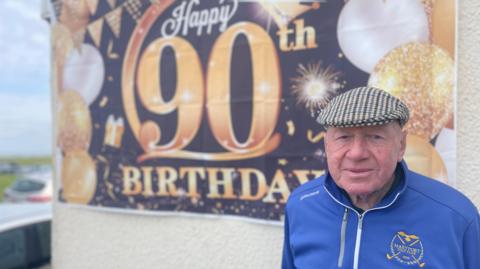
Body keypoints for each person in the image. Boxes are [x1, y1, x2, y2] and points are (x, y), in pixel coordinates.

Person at [282, 86, 480, 269]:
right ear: (327, 145)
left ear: (401, 145)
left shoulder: (456, 217)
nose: (357, 153)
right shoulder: (301, 205)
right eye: (344, 137)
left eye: (375, 137)